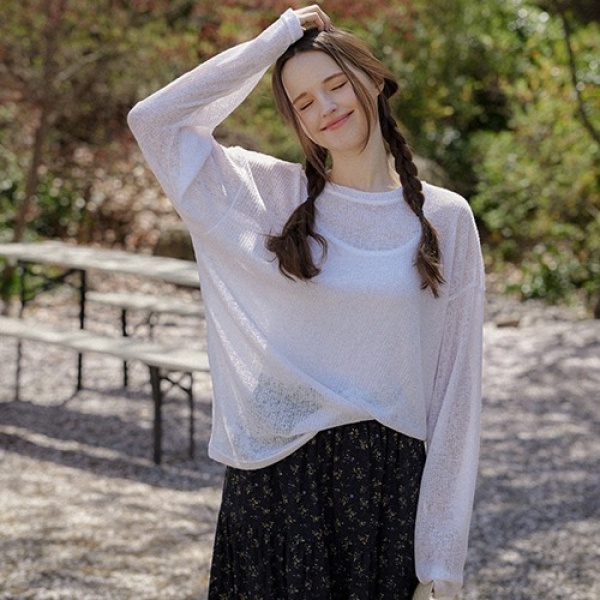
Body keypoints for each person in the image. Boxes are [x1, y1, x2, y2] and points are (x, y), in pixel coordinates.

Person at [128, 5, 485, 599]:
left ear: (374, 78)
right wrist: (273, 42)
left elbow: (456, 395)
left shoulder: (445, 218)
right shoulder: (269, 196)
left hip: (384, 493)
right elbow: (155, 121)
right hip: (273, 488)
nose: (325, 108)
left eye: (336, 84)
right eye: (302, 102)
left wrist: (441, 562)